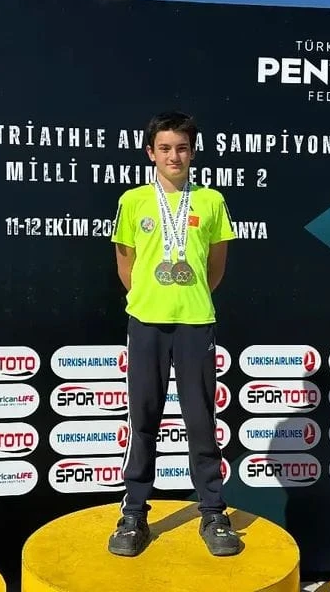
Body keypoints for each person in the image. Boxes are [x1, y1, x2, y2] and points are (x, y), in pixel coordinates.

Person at [107, 111, 240, 558]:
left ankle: (213, 512)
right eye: (164, 148)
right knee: (143, 418)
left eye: (182, 148)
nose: (174, 156)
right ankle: (133, 513)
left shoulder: (212, 201)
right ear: (151, 152)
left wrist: (188, 297)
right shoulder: (133, 201)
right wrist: (150, 298)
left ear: (193, 152)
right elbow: (125, 262)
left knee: (200, 419)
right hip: (146, 322)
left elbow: (215, 265)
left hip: (195, 321)